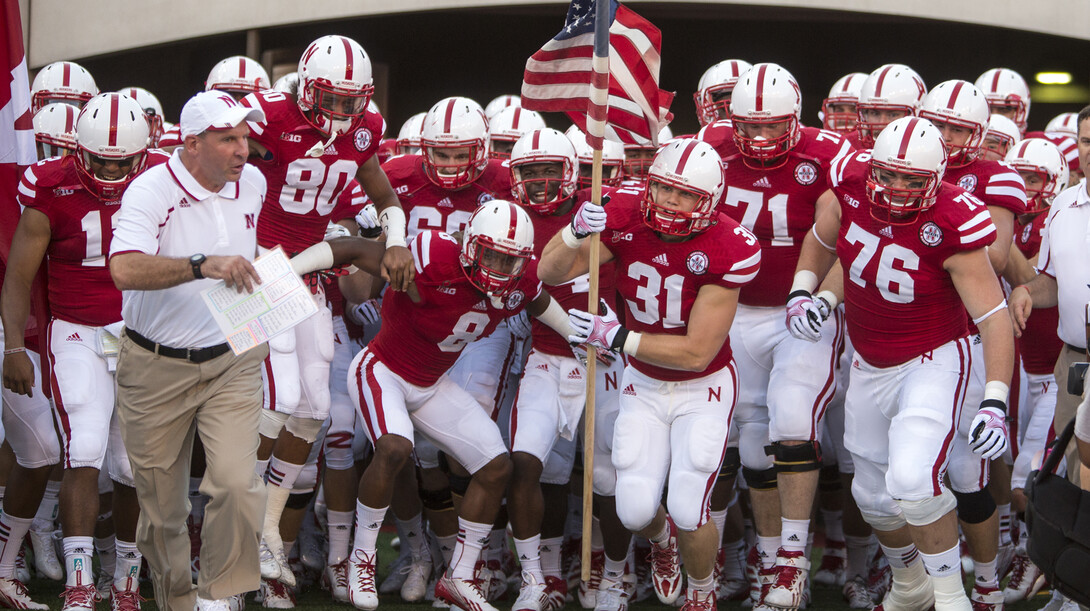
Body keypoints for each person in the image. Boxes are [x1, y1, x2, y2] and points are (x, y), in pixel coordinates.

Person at [291, 200, 574, 611]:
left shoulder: (521, 280)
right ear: (469, 245)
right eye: (489, 253)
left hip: (430, 383)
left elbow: (537, 300)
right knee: (394, 447)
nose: (497, 266)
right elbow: (348, 250)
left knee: (497, 466)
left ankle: (458, 577)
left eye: (508, 260)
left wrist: (576, 333)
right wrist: (289, 269)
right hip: (382, 369)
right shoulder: (430, 256)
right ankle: (361, 559)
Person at [791, 116, 1013, 611]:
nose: (896, 189)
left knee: (913, 479)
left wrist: (995, 399)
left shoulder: (954, 218)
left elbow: (994, 318)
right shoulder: (850, 185)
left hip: (932, 358)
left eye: (912, 181)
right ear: (873, 167)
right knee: (871, 496)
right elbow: (823, 241)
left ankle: (951, 598)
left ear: (936, 179)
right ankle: (910, 585)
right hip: (869, 360)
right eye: (889, 175)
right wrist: (804, 291)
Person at [539, 137, 763, 611]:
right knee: (634, 507)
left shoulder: (730, 245)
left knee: (687, 504)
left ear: (710, 202)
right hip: (641, 382)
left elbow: (696, 353)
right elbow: (550, 273)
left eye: (684, 196)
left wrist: (617, 337)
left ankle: (702, 596)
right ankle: (663, 544)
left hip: (702, 388)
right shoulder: (623, 213)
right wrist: (574, 233)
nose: (670, 202)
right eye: (663, 189)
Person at [236, 35, 412, 591]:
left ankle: (266, 528)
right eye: (329, 98)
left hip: (306, 276)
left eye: (350, 100)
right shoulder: (267, 116)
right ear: (305, 87)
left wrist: (398, 238)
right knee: (280, 398)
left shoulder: (363, 131)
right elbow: (207, 158)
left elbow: (384, 197)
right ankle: (239, 526)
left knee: (313, 410)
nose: (340, 112)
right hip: (256, 270)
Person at [107, 89, 268, 611]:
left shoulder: (254, 184)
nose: (243, 149)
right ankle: (178, 602)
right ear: (191, 143)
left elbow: (253, 251)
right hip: (155, 364)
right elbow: (124, 268)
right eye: (229, 139)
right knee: (162, 513)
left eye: (245, 137)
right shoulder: (149, 190)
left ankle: (222, 597)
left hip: (234, 354)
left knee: (239, 486)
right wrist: (203, 263)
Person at [4, 92, 164, 611]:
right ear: (79, 151)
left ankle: (123, 583)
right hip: (73, 329)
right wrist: (13, 344)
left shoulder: (163, 176)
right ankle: (79, 582)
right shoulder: (50, 186)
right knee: (85, 447)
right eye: (100, 160)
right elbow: (19, 277)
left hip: (137, 330)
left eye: (123, 161)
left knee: (133, 464)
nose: (112, 170)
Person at [718, 62, 854, 611]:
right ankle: (769, 558)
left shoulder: (830, 156)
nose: (759, 137)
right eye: (748, 126)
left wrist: (824, 296)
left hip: (802, 309)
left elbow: (855, 238)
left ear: (795, 118)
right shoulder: (710, 147)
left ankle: (795, 561)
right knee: (751, 439)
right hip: (736, 309)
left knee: (794, 419)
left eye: (772, 126)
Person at [504, 128, 623, 611]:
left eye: (549, 168)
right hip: (547, 354)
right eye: (529, 170)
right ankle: (541, 577)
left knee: (610, 476)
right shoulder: (509, 218)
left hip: (607, 360)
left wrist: (619, 327)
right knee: (530, 464)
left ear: (572, 170)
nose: (538, 179)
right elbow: (529, 286)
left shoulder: (610, 209)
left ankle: (615, 573)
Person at [1000, 137, 1068, 604]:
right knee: (1003, 464)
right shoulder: (1000, 216)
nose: (1024, 188)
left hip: (1057, 369)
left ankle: (1035, 555)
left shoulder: (1062, 221)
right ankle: (1014, 547)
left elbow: (1041, 282)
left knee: (1030, 477)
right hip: (1015, 366)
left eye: (1034, 179)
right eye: (1017, 177)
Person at [1009, 105, 1090, 488]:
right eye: (1087, 141)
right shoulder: (1062, 203)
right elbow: (1052, 280)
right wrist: (1026, 291)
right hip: (1073, 360)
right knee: (1076, 476)